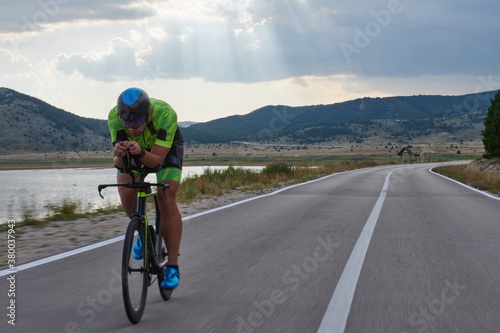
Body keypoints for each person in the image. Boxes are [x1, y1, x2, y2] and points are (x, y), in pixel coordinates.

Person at [108, 87, 183, 289]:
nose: (132, 128)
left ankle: (173, 266)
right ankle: (144, 233)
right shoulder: (114, 117)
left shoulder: (166, 114)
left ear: (148, 114)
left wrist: (140, 152)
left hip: (165, 152)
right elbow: (120, 165)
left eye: (137, 122)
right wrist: (118, 154)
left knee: (166, 197)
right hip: (136, 150)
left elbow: (157, 161)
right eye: (127, 123)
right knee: (126, 193)